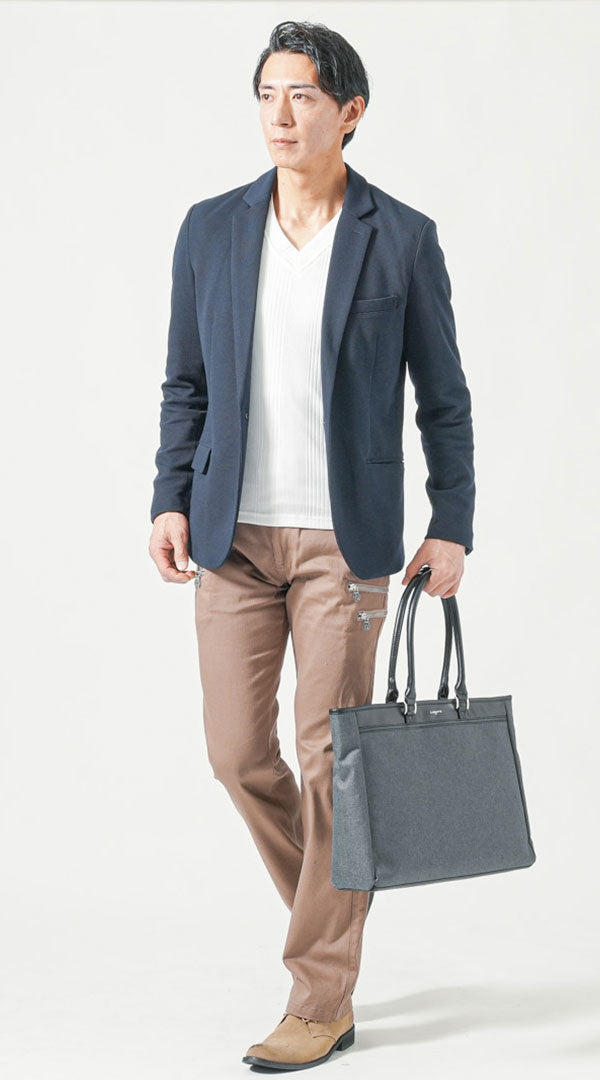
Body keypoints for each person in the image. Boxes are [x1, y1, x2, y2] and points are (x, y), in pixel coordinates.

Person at [148, 19, 475, 1072]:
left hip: (348, 540)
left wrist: (453, 523)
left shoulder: (401, 237)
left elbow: (445, 400)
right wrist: (167, 496)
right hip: (231, 535)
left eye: (302, 95)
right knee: (237, 755)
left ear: (350, 111)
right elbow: (186, 382)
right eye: (267, 94)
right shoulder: (210, 228)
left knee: (332, 759)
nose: (280, 115)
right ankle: (341, 898)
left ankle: (319, 995)